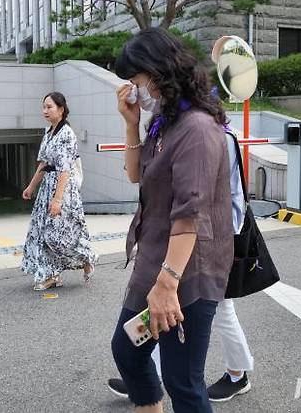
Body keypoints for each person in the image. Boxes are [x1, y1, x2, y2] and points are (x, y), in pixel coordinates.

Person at [110, 27, 234, 413]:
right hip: (155, 258)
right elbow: (136, 175)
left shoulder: (196, 128)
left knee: (183, 381)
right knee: (127, 350)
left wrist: (167, 286)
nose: (134, 89)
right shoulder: (164, 121)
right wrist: (131, 123)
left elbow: (190, 215)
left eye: (136, 79)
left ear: (158, 71)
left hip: (187, 270)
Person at [108, 126, 253, 403]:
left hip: (210, 247)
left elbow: (222, 199)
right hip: (185, 246)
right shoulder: (168, 127)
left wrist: (220, 244)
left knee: (217, 313)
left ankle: (237, 374)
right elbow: (137, 175)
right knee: (176, 315)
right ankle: (151, 374)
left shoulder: (210, 133)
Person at [20, 92, 98, 291]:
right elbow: (44, 163)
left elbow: (64, 169)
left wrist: (57, 200)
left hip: (63, 190)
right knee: (42, 233)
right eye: (44, 106)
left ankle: (86, 258)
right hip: (48, 186)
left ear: (61, 109)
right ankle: (51, 275)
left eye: (49, 107)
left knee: (61, 235)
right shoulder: (49, 132)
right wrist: (31, 186)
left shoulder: (66, 134)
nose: (45, 111)